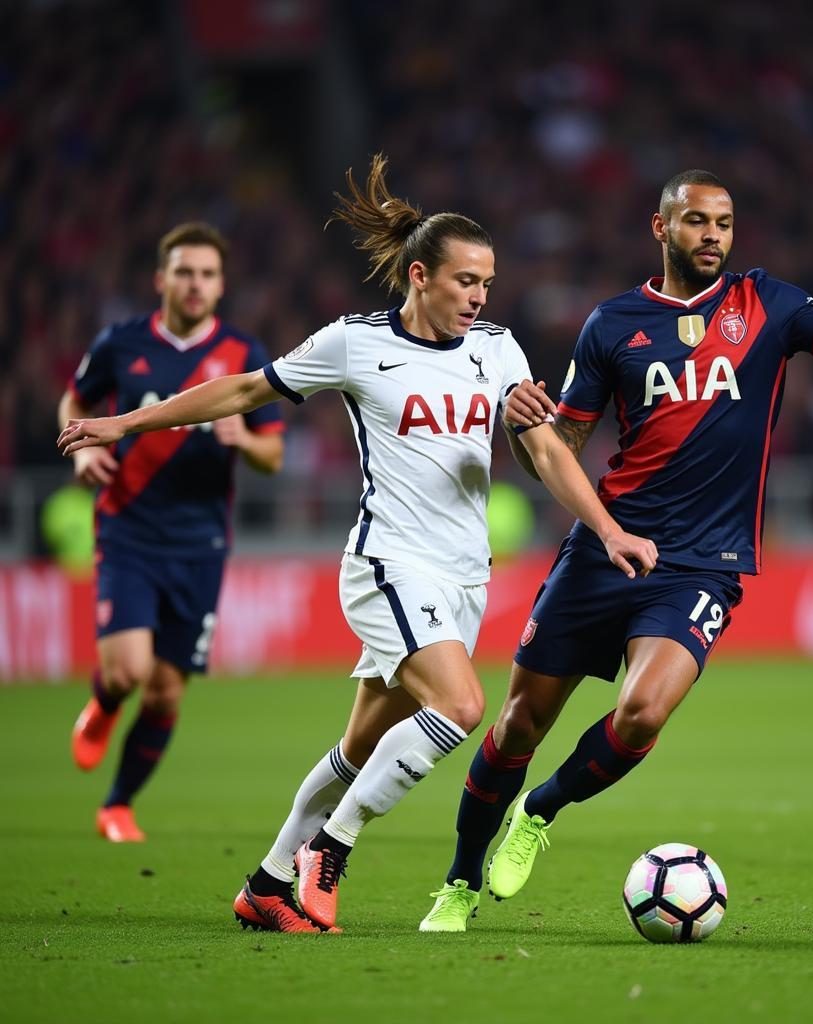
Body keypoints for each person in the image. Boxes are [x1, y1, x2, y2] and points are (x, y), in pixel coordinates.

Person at [58, 154, 658, 933]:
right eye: (464, 281)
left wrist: (606, 527)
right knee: (461, 705)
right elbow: (243, 388)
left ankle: (268, 883)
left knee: (356, 748)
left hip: (461, 577)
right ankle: (331, 848)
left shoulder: (500, 352)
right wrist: (126, 421)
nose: (479, 297)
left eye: (486, 282)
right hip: (387, 563)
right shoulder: (353, 344)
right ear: (418, 276)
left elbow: (544, 450)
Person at [418, 168, 813, 932]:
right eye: (696, 222)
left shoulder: (768, 304)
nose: (713, 235)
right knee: (520, 722)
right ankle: (458, 883)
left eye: (723, 222)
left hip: (704, 562)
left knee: (643, 711)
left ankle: (541, 811)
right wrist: (524, 433)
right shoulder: (612, 324)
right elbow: (564, 448)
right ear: (662, 229)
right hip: (606, 545)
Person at [59, 222, 285, 843]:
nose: (196, 284)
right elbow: (74, 401)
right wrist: (81, 454)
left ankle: (118, 805)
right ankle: (104, 704)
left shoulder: (244, 355)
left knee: (164, 692)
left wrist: (248, 442)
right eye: (185, 272)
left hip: (201, 542)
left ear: (221, 284)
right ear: (162, 279)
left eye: (208, 274)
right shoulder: (120, 343)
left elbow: (274, 455)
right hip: (128, 528)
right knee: (129, 671)